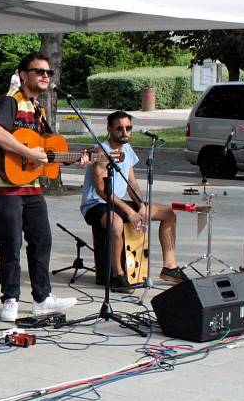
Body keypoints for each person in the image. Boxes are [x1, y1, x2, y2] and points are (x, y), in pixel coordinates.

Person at [0, 53, 86, 322]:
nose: (45, 76)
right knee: (11, 242)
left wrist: (73, 160)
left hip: (30, 185)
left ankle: (42, 299)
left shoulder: (38, 110)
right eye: (39, 71)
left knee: (42, 240)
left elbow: (46, 152)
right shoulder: (10, 101)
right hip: (4, 184)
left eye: (48, 72)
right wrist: (28, 154)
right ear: (23, 74)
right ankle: (10, 298)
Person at [80, 111, 187, 291]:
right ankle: (118, 275)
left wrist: (141, 206)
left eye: (128, 128)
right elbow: (102, 191)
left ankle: (170, 267)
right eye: (119, 128)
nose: (125, 132)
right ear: (109, 128)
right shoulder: (101, 151)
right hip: (96, 204)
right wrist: (130, 212)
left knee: (168, 213)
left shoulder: (127, 149)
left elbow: (132, 182)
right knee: (116, 223)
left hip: (117, 201)